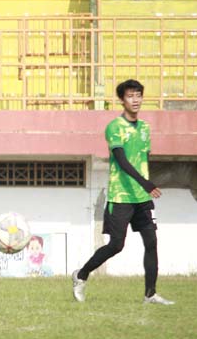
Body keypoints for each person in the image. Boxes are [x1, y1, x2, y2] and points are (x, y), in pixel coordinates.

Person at [72, 79, 174, 305]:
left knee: (152, 242)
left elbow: (143, 158)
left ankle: (150, 294)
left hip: (143, 198)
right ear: (122, 100)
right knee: (116, 245)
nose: (135, 99)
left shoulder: (146, 128)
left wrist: (146, 186)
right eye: (130, 95)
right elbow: (122, 160)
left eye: (138, 95)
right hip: (121, 197)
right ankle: (81, 275)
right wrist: (145, 182)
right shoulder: (114, 127)